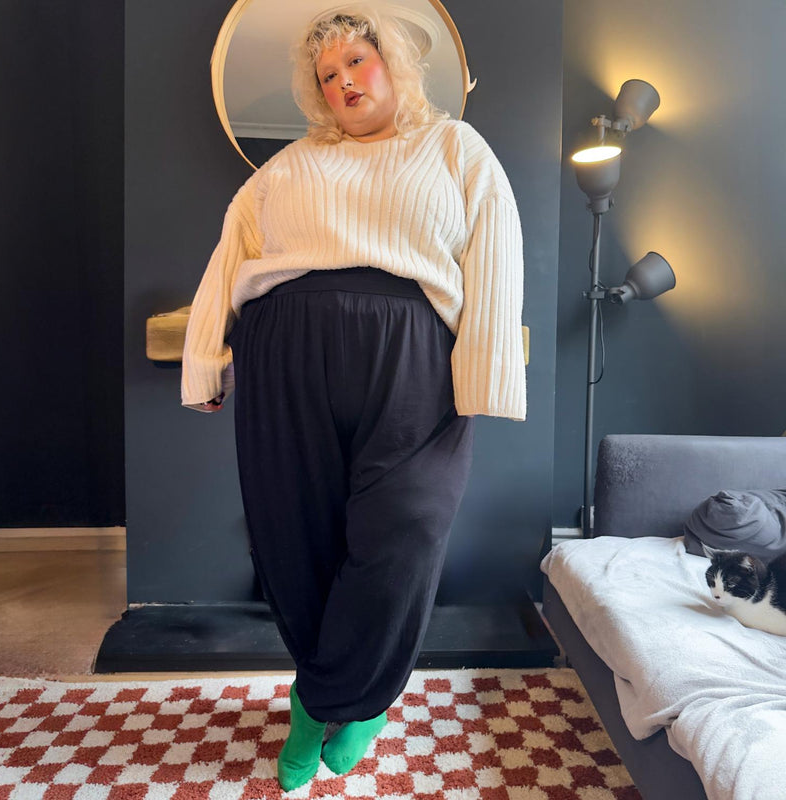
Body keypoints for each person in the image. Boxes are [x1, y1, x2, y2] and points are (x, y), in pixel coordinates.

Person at [181, 6, 525, 791]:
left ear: (392, 62)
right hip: (284, 352)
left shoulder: (454, 146)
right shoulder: (289, 166)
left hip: (411, 357)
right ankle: (319, 701)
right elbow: (231, 252)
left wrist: (485, 374)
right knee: (292, 536)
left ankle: (349, 698)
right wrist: (204, 362)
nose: (343, 82)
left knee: (406, 527)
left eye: (356, 62)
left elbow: (495, 252)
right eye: (327, 75)